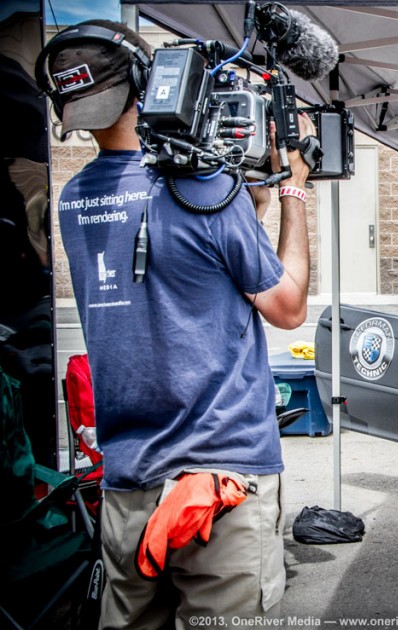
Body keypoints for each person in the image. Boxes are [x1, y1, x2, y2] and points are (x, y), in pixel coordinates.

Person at [44, 20, 315, 626]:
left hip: (128, 477)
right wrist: (293, 194)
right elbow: (289, 306)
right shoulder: (206, 187)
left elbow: (175, 268)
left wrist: (246, 198)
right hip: (222, 476)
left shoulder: (74, 198)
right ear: (152, 83)